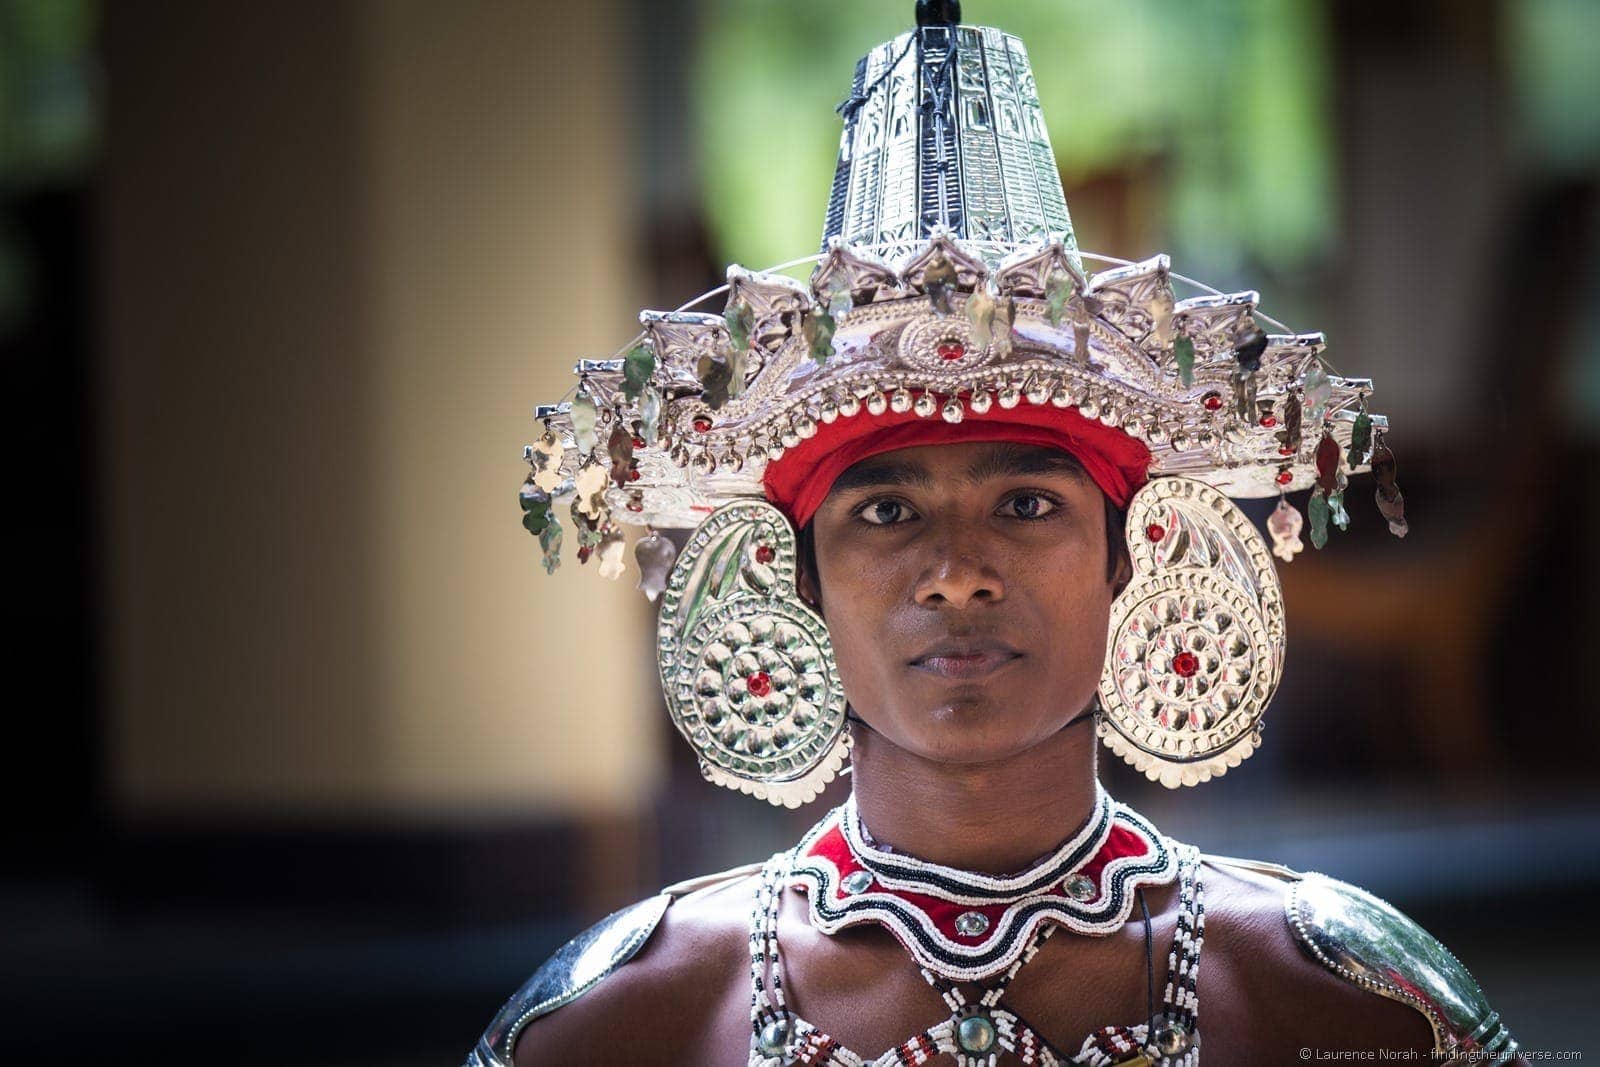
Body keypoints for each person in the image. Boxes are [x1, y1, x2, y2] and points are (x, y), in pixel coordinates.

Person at [482, 3, 1522, 1064]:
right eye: (884, 511)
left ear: (1129, 555)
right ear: (796, 577)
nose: (957, 574)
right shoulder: (620, 1019)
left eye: (1026, 504)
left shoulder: (1347, 997)